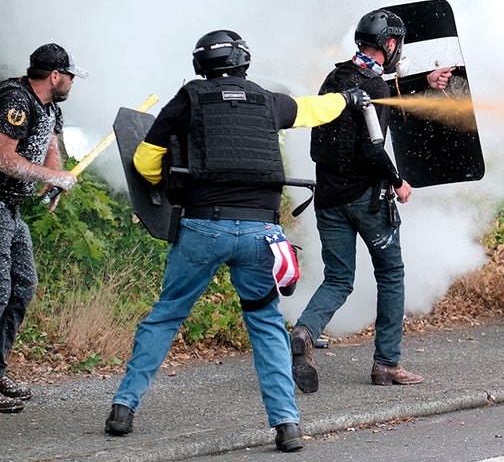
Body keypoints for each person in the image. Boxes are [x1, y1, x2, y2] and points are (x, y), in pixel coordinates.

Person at [104, 29, 364, 452]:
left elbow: (145, 161)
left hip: (203, 229)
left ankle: (123, 409)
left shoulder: (189, 99)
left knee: (166, 316)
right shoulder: (267, 100)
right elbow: (316, 109)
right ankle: (287, 425)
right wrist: (350, 98)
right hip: (262, 235)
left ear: (200, 66)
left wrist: (164, 181)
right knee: (264, 324)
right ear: (243, 61)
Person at [290, 9, 451, 391]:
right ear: (390, 43)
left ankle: (305, 332)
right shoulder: (374, 88)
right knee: (391, 275)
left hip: (329, 198)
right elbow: (372, 148)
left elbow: (380, 94)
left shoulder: (336, 78)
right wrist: (397, 181)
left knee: (339, 278)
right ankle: (386, 364)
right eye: (398, 44)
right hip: (367, 200)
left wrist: (424, 81)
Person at [0, 44, 82, 414]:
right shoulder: (15, 100)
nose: (72, 82)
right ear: (54, 76)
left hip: (12, 208)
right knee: (0, 289)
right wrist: (52, 175)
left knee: (22, 286)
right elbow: (3, 157)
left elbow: (50, 147)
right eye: (70, 75)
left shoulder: (50, 106)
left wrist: (56, 180)